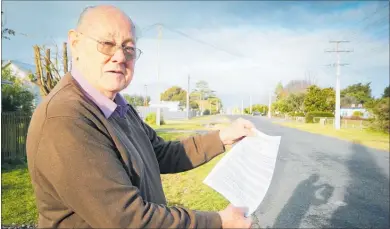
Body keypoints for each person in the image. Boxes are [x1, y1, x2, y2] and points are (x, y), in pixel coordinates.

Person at [26, 5, 255, 229]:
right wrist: (219, 222)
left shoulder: (117, 107)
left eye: (129, 48)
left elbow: (160, 154)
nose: (119, 56)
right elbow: (127, 219)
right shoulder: (66, 118)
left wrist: (223, 137)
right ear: (75, 44)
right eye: (106, 44)